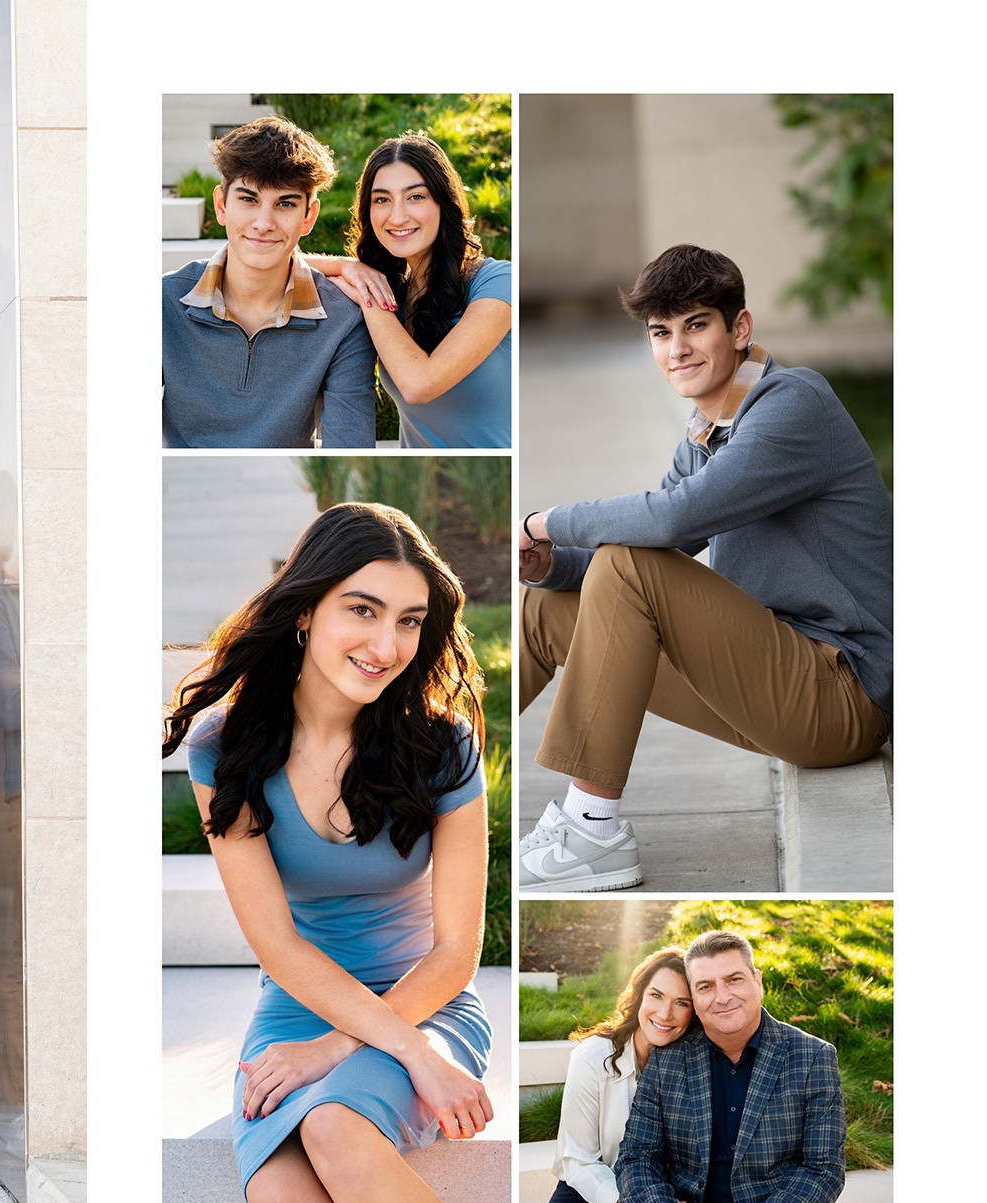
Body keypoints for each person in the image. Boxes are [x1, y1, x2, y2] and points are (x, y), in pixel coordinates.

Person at [162, 501, 494, 1203]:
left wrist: (361, 1049)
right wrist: (340, 1045)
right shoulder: (229, 748)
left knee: (335, 1127)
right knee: (278, 1189)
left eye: (410, 620)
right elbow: (277, 947)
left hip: (425, 1002)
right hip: (297, 1006)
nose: (387, 644)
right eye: (363, 610)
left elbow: (455, 954)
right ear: (306, 609)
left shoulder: (442, 745)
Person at [517, 244, 891, 891]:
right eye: (661, 332)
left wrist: (543, 520)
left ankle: (590, 829)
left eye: (696, 325)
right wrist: (546, 561)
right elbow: (655, 546)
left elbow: (666, 523)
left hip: (841, 695)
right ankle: (433, 769)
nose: (677, 349)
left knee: (633, 560)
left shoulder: (792, 405)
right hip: (768, 687)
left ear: (738, 329)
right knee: (547, 606)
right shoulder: (708, 429)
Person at [611, 929, 845, 1203]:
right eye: (706, 987)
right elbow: (637, 1154)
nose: (722, 997)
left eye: (734, 980)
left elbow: (824, 1170)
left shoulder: (812, 1057)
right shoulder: (668, 1059)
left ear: (757, 981)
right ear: (694, 997)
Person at [162, 116, 376, 449]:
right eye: (248, 199)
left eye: (285, 204)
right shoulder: (162, 302)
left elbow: (349, 451)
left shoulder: (342, 321)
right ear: (221, 205)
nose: (263, 223)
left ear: (309, 216)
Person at [309, 134, 512, 448]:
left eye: (416, 197)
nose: (398, 216)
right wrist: (346, 266)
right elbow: (276, 261)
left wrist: (370, 299)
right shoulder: (395, 291)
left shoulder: (497, 282)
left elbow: (419, 385)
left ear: (444, 204)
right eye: (382, 199)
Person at [531, 947, 696, 1203]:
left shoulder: (695, 1068)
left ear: (694, 1011)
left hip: (659, 1196)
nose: (664, 1014)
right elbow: (576, 1159)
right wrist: (625, 1199)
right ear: (639, 997)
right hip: (583, 1193)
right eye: (656, 996)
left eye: (681, 1003)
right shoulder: (594, 1058)